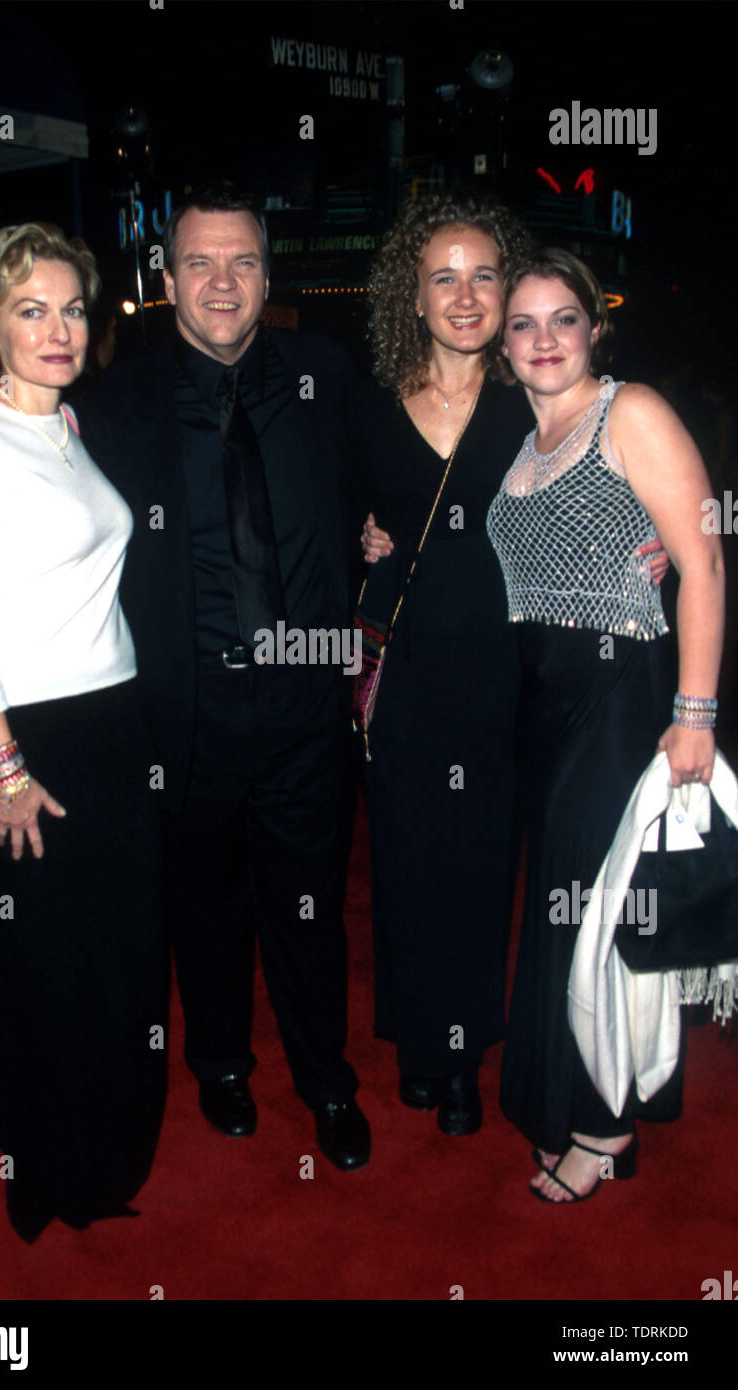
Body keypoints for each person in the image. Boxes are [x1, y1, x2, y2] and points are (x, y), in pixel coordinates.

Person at [357, 194, 667, 1136]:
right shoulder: (366, 411)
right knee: (405, 861)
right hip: (406, 669)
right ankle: (416, 1041)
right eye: (441, 276)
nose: (464, 294)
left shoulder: (528, 395)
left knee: (485, 867)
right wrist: (358, 544)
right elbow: (327, 519)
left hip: (507, 670)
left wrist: (646, 534)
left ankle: (461, 1061)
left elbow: (605, 471)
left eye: (483, 274)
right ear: (410, 296)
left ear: (507, 292)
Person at [74, 187, 370, 1171]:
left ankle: (327, 1081)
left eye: (241, 261)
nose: (222, 282)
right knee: (203, 905)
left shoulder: (329, 379)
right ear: (165, 280)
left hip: (303, 696)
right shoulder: (112, 409)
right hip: (181, 707)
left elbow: (413, 486)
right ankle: (221, 1065)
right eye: (199, 263)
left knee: (308, 908)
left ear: (269, 277)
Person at [0, 223, 167, 1241]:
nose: (60, 328)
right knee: (51, 964)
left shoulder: (65, 426)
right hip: (32, 739)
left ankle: (82, 1119)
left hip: (112, 722)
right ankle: (60, 1162)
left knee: (114, 954)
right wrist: (4, 769)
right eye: (32, 309)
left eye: (73, 307)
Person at [486, 248, 724, 1201]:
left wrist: (694, 715)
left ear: (594, 327)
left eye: (562, 320)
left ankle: (602, 1124)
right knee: (561, 904)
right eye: (523, 324)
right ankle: (578, 1099)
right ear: (503, 345)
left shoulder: (631, 413)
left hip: (619, 699)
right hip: (542, 707)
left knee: (596, 916)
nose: (544, 339)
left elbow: (701, 565)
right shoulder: (521, 434)